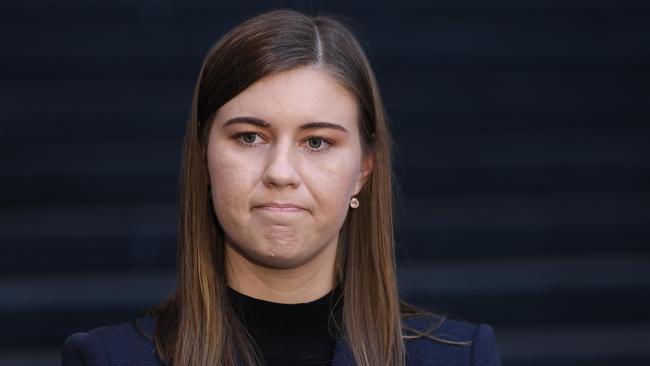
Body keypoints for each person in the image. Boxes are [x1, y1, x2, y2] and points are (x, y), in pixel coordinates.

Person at [62, 8, 502, 366]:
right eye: (250, 136)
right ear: (203, 157)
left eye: (316, 142)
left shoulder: (459, 356)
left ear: (364, 169)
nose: (281, 172)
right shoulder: (106, 359)